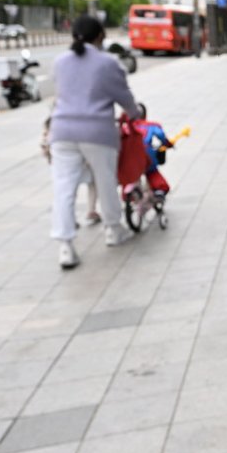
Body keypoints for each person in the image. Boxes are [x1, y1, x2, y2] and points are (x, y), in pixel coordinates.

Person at [49, 15, 142, 269]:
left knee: (63, 187)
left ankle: (65, 246)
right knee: (105, 181)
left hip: (62, 131)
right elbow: (124, 96)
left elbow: (60, 95)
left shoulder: (60, 62)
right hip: (97, 132)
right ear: (100, 36)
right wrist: (135, 113)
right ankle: (113, 230)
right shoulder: (107, 62)